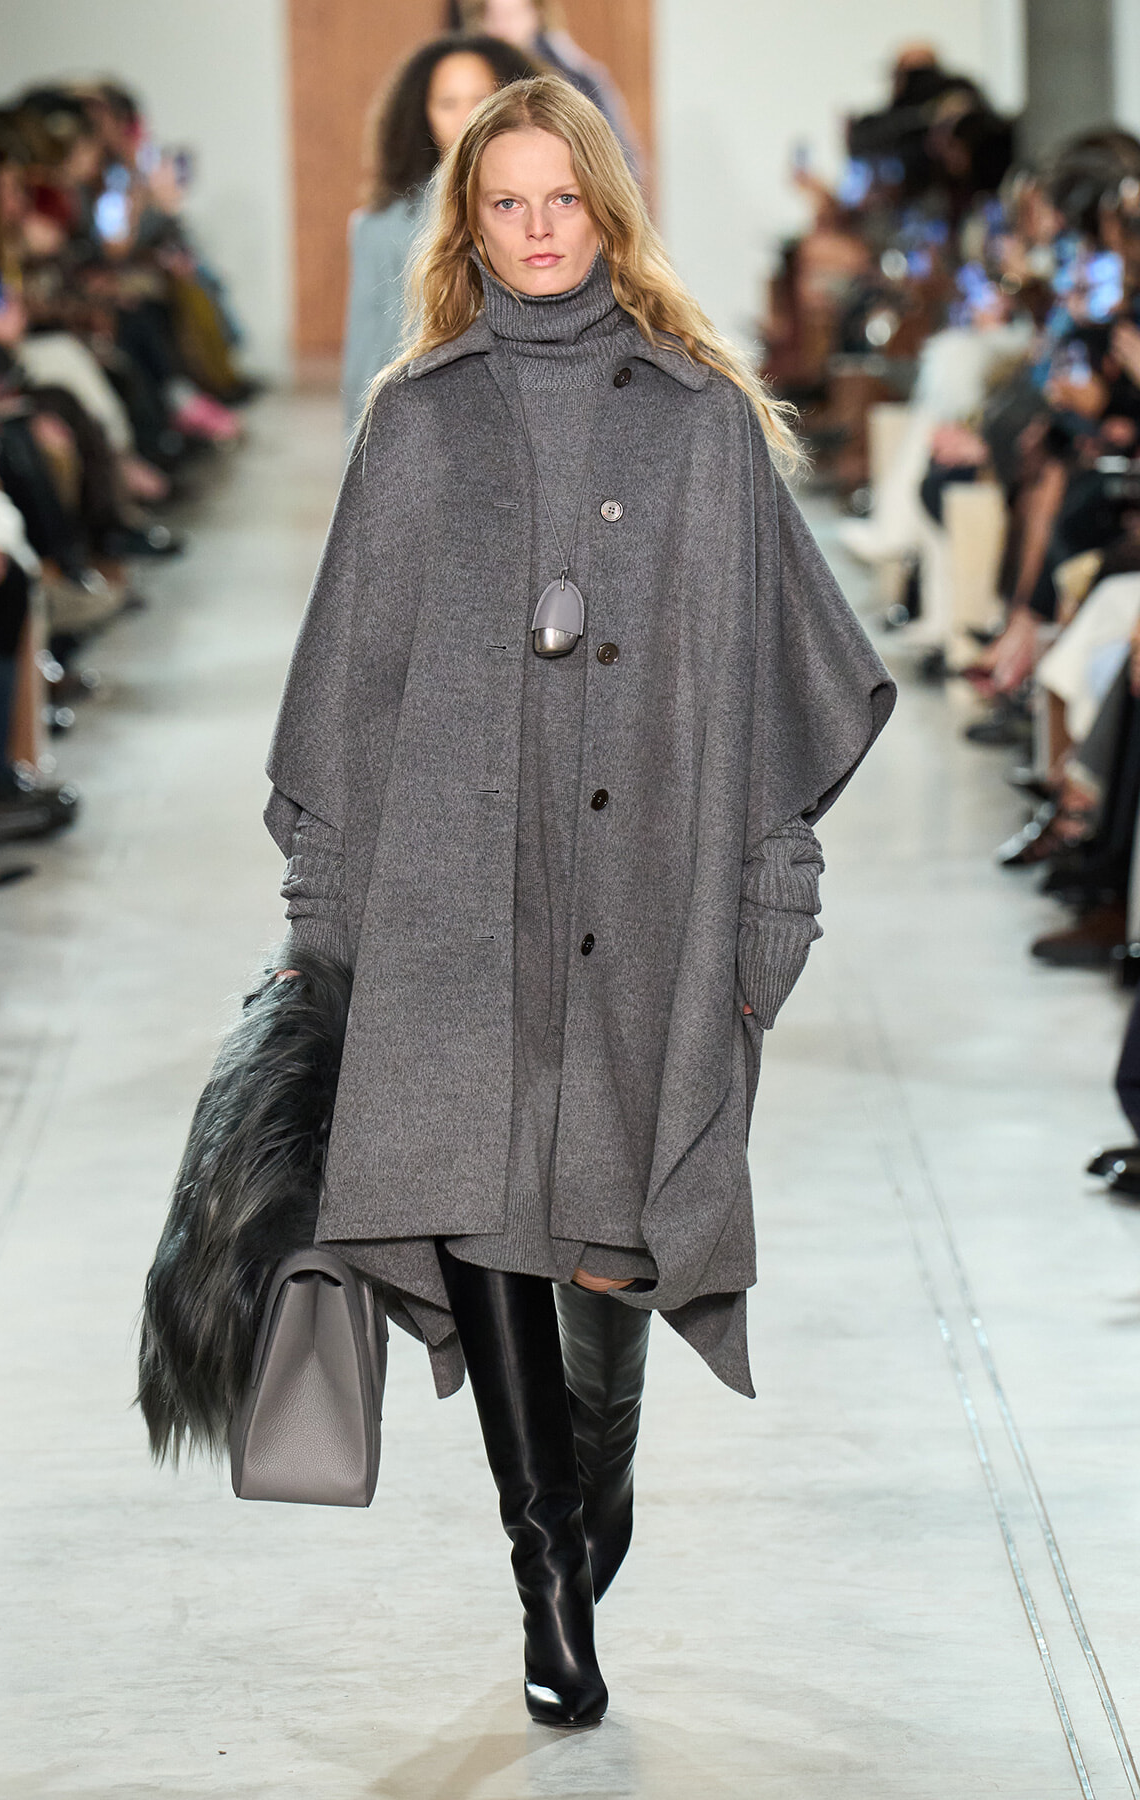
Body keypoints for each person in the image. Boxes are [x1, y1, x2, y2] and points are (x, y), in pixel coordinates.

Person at [266, 74, 893, 1727]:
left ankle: (593, 1498)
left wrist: (776, 905)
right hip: (451, 898)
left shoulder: (700, 420)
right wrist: (326, 936)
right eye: (504, 203)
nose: (538, 229)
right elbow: (348, 686)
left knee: (612, 1242)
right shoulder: (418, 419)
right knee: (476, 1198)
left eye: (563, 198)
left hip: (652, 892)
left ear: (604, 209)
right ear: (465, 227)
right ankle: (545, 1565)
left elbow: (784, 690)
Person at [341, 33, 538, 430]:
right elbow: (366, 358)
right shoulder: (380, 227)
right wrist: (361, 462)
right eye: (448, 103)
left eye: (482, 99)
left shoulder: (555, 209)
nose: (468, 117)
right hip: (431, 426)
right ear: (421, 115)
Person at [458, 0, 640, 173]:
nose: (503, 27)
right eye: (493, 17)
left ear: (537, 14)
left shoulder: (572, 75)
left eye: (513, 14)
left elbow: (616, 155)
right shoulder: (467, 75)